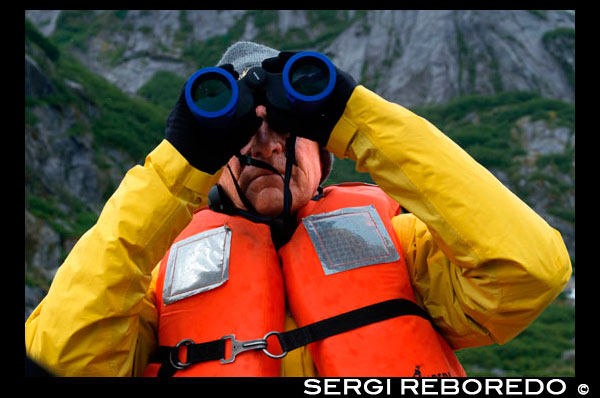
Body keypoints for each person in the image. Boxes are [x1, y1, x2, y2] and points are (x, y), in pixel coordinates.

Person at [25, 41, 572, 377]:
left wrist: (355, 117)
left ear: (325, 149)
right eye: (246, 132)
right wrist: (177, 168)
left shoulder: (405, 249)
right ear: (216, 163)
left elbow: (528, 271)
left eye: (288, 126)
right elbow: (61, 359)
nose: (268, 143)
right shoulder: (154, 282)